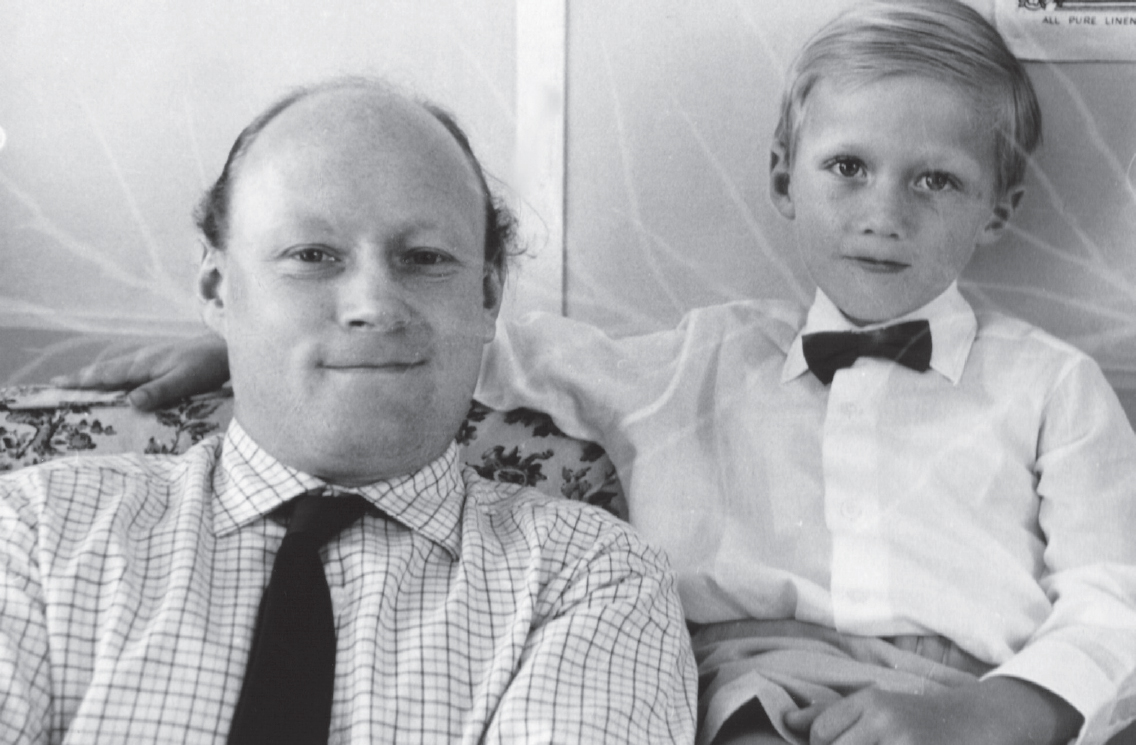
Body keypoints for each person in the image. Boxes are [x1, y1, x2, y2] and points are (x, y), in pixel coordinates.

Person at [55, 2, 1136, 744]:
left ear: (998, 208)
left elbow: (1115, 588)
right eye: (845, 166)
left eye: (935, 181)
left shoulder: (1051, 386)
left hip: (980, 695)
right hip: (745, 689)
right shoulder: (695, 357)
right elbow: (469, 329)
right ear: (781, 177)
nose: (881, 212)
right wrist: (240, 341)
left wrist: (1011, 710)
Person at [0, 78, 698, 744]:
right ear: (217, 287)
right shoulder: (34, 532)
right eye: (312, 255)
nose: (373, 304)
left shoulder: (588, 577)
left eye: (424, 258)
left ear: (488, 297)